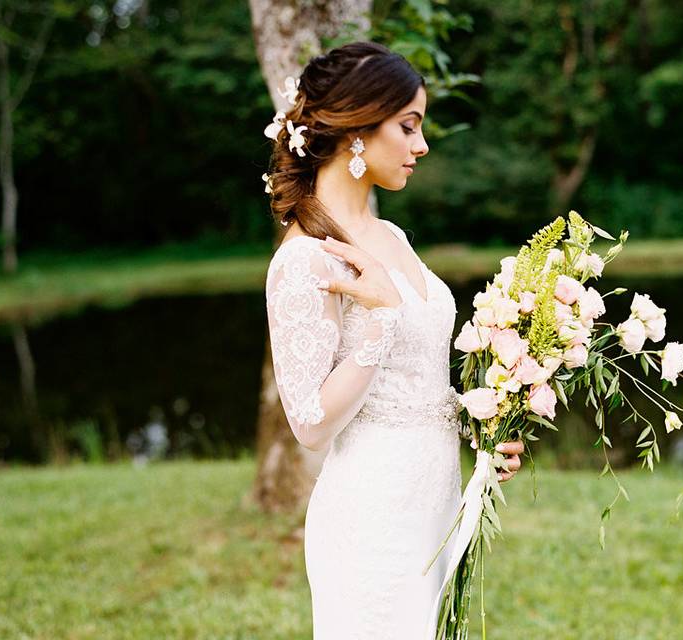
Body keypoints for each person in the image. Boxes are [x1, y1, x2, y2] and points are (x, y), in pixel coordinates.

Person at [262, 41, 524, 639]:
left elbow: (414, 386)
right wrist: (378, 319)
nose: (422, 146)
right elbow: (309, 424)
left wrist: (483, 428)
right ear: (357, 126)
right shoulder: (304, 259)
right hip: (372, 516)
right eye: (408, 126)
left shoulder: (391, 235)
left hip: (434, 503)